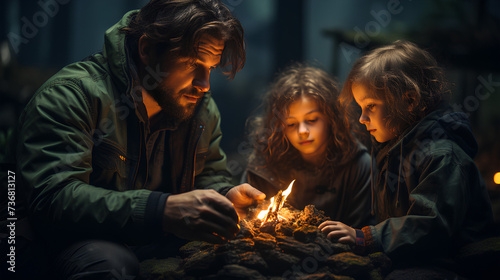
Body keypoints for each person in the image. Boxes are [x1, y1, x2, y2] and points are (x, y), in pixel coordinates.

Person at [0, 1, 266, 279]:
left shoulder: (198, 106)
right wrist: (159, 210)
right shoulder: (70, 97)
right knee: (107, 264)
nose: (204, 84)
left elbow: (208, 174)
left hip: (156, 240)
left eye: (210, 68)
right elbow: (53, 199)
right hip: (64, 243)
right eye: (192, 64)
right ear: (147, 49)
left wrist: (225, 197)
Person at [320, 40, 494, 278]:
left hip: (454, 265)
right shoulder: (393, 150)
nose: (362, 118)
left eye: (370, 106)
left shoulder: (442, 157)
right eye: (361, 107)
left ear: (410, 101)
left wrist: (367, 237)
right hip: (416, 258)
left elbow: (431, 226)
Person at [244, 64, 373, 229]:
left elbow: (364, 231)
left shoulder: (359, 165)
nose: (302, 131)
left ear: (332, 119)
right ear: (279, 127)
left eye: (312, 120)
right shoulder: (264, 164)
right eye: (291, 124)